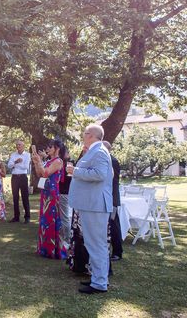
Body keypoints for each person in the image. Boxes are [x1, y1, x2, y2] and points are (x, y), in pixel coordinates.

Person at [67, 124, 113, 294]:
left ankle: (100, 283)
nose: (83, 136)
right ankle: (97, 279)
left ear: (90, 135)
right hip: (91, 204)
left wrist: (75, 171)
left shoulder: (99, 151)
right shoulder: (96, 150)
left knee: (97, 244)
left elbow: (99, 174)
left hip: (95, 205)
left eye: (84, 133)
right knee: (93, 243)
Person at [32, 139, 66, 259]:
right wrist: (37, 162)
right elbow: (39, 174)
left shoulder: (58, 161)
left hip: (52, 193)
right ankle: (44, 247)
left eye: (50, 147)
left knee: (51, 219)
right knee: (44, 219)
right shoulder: (49, 161)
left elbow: (46, 173)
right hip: (45, 192)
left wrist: (40, 161)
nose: (47, 149)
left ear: (57, 148)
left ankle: (52, 249)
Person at [103, 141, 123, 261]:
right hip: (107, 197)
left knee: (113, 224)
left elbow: (112, 181)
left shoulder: (112, 161)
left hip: (112, 198)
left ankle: (117, 251)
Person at [7, 140, 31, 223]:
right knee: (15, 197)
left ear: (23, 146)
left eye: (20, 145)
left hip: (23, 177)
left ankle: (27, 217)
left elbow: (26, 167)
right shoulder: (13, 155)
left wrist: (15, 165)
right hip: (14, 178)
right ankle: (16, 217)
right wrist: (16, 162)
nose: (18, 146)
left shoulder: (27, 155)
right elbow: (9, 165)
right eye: (17, 145)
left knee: (25, 197)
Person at [58, 147, 72, 245]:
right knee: (62, 216)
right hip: (61, 192)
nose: (69, 153)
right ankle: (62, 238)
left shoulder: (67, 165)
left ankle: (67, 239)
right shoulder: (62, 164)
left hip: (64, 192)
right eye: (67, 152)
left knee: (64, 217)